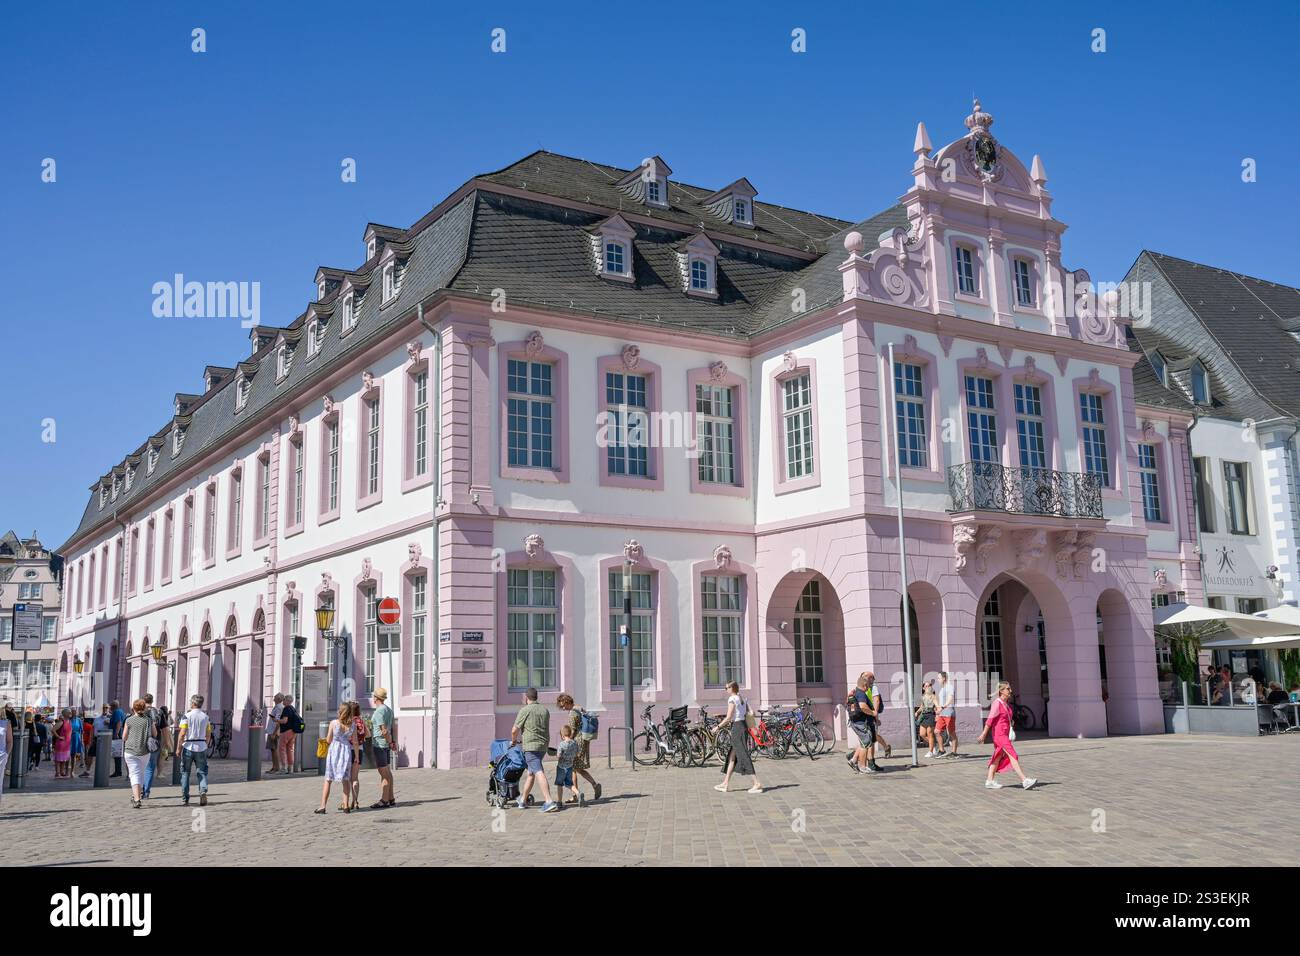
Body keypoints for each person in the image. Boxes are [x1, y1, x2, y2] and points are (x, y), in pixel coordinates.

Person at [977, 681, 1037, 790]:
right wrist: (983, 734)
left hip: (1004, 733)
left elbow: (1005, 718)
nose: (1010, 691)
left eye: (1010, 689)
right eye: (1008, 689)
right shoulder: (997, 703)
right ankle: (1024, 780)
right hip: (1000, 735)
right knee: (1012, 754)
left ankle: (989, 781)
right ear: (1002, 691)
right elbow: (990, 720)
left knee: (998, 757)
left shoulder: (1005, 704)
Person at [510, 687, 557, 812]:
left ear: (526, 698)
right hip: (543, 745)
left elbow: (514, 730)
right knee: (530, 773)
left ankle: (549, 801)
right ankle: (523, 800)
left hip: (531, 746)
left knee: (538, 771)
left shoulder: (525, 710)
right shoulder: (545, 710)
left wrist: (513, 741)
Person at [715, 680, 763, 794]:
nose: (726, 689)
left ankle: (756, 783)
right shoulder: (742, 698)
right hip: (744, 727)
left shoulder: (732, 699)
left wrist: (717, 727)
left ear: (732, 688)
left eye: (727, 687)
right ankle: (725, 783)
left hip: (737, 728)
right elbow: (751, 712)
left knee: (743, 755)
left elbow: (728, 717)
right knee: (732, 756)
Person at [315, 704, 359, 814]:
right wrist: (357, 756)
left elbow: (329, 740)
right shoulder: (352, 725)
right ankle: (346, 805)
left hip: (334, 751)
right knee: (346, 779)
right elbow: (355, 741)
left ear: (340, 711)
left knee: (328, 779)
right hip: (346, 751)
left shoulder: (334, 723)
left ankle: (323, 806)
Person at [557, 693, 601, 803]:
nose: (563, 708)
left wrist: (566, 743)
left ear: (567, 702)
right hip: (584, 740)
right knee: (578, 769)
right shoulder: (578, 708)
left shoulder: (572, 713)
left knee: (574, 769)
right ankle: (592, 786)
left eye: (563, 705)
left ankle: (577, 794)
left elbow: (571, 731)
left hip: (577, 742)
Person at [176, 694, 212, 806]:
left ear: (193, 703)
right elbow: (208, 733)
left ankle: (185, 797)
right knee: (202, 771)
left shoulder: (186, 716)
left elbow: (182, 734)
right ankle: (202, 791)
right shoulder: (205, 717)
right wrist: (205, 744)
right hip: (201, 746)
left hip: (188, 746)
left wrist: (178, 748)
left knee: (185, 772)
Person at [122, 699, 156, 809]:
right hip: (144, 751)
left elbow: (124, 737)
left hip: (130, 751)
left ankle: (137, 799)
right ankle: (136, 795)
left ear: (134, 708)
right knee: (140, 773)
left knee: (134, 774)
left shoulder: (129, 720)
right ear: (144, 708)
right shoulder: (148, 720)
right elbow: (154, 734)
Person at [844, 672, 880, 774]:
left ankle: (854, 760)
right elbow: (863, 706)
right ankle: (862, 766)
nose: (869, 687)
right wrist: (873, 713)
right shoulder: (861, 694)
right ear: (864, 685)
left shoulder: (855, 692)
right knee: (866, 744)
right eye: (868, 685)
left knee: (864, 742)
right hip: (860, 722)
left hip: (855, 721)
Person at [369, 688, 397, 808]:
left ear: (376, 698)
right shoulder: (389, 710)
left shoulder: (379, 711)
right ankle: (391, 798)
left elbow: (384, 730)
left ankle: (384, 800)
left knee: (383, 773)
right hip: (385, 744)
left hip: (380, 744)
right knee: (388, 772)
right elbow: (393, 728)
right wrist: (392, 741)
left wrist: (390, 741)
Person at [140, 694, 161, 799]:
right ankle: (146, 791)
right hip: (153, 744)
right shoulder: (158, 712)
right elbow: (165, 728)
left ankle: (139, 790)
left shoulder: (139, 712)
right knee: (149, 768)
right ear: (152, 701)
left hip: (139, 742)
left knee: (139, 767)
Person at [347, 700, 366, 811]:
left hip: (349, 750)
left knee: (348, 778)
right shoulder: (361, 721)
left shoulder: (349, 721)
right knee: (355, 778)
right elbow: (368, 734)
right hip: (360, 750)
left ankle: (348, 801)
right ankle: (356, 801)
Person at [554, 724, 579, 808]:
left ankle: (559, 802)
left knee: (559, 784)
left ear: (562, 735)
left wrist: (556, 754)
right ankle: (578, 793)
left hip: (561, 767)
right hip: (570, 767)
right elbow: (577, 753)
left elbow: (558, 756)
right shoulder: (574, 743)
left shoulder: (561, 744)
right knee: (569, 783)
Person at [935, 670, 959, 757]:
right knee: (937, 731)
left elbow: (950, 699)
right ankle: (942, 751)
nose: (938, 680)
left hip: (949, 712)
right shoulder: (942, 689)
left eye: (939, 678)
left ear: (944, 678)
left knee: (951, 732)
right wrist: (938, 710)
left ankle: (954, 752)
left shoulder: (950, 687)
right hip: (942, 714)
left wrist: (942, 707)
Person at [276, 694, 300, 773]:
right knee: (290, 749)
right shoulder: (293, 709)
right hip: (293, 732)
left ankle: (283, 768)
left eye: (284, 699)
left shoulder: (286, 709)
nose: (283, 701)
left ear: (287, 701)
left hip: (286, 731)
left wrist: (276, 720)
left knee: (281, 749)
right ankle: (290, 768)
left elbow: (285, 721)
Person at [916, 680, 939, 757]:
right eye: (926, 686)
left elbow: (937, 706)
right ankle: (934, 745)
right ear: (923, 688)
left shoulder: (933, 696)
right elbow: (922, 707)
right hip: (924, 715)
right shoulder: (923, 697)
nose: (927, 687)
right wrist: (917, 712)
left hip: (931, 715)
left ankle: (931, 751)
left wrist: (937, 714)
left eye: (929, 686)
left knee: (930, 733)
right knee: (922, 734)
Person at [266, 693, 284, 773]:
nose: (273, 698)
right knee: (272, 749)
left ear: (279, 699)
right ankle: (274, 767)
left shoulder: (279, 707)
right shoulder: (277, 707)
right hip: (271, 731)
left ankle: (276, 767)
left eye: (275, 697)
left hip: (274, 732)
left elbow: (278, 722)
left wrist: (274, 733)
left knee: (274, 749)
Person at [53, 709, 72, 778]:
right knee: (58, 759)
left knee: (64, 758)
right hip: (61, 743)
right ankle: (57, 773)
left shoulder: (69, 721)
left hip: (67, 743)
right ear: (64, 714)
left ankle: (62, 772)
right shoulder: (61, 722)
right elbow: (53, 729)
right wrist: (58, 737)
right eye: (69, 712)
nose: (70, 713)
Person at [109, 699, 127, 776]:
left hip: (117, 735)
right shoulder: (121, 711)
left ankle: (118, 771)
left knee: (116, 753)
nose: (110, 707)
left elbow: (119, 722)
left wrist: (116, 733)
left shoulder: (116, 712)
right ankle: (118, 771)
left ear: (113, 706)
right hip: (120, 734)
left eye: (111, 706)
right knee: (118, 753)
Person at [70, 708, 85, 777]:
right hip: (69, 737)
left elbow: (81, 731)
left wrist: (81, 740)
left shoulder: (79, 720)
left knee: (74, 755)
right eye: (73, 712)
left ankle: (72, 771)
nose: (74, 713)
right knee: (68, 755)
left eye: (75, 712)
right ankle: (67, 769)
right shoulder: (69, 720)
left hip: (76, 737)